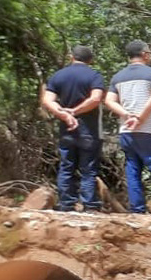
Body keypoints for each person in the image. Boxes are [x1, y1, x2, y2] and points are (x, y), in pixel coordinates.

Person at [105, 40, 151, 216]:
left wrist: (127, 115)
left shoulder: (117, 76)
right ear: (144, 54)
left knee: (133, 170)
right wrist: (140, 118)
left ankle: (137, 211)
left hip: (127, 131)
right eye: (149, 52)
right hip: (149, 130)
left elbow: (108, 101)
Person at [42, 46, 106, 212]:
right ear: (90, 60)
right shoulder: (94, 75)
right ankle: (89, 205)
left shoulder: (59, 75)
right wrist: (75, 112)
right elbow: (96, 98)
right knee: (89, 168)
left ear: (71, 57)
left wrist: (64, 115)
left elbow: (47, 100)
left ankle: (66, 204)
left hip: (66, 130)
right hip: (90, 129)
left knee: (66, 166)